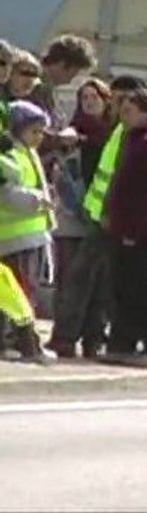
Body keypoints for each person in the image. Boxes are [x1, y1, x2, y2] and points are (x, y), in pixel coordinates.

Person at [48, 76, 147, 359]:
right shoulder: (95, 133)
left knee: (100, 285)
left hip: (108, 218)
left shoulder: (121, 132)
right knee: (77, 280)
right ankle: (66, 337)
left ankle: (92, 338)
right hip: (90, 215)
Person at [102, 89, 147, 368]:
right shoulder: (133, 141)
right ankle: (122, 342)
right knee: (123, 288)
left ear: (145, 113)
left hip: (141, 232)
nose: (124, 116)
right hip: (123, 228)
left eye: (129, 111)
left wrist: (132, 231)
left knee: (143, 289)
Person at [51, 79, 112, 316]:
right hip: (71, 215)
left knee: (96, 279)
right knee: (67, 275)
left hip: (100, 215)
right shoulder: (75, 130)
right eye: (84, 98)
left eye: (94, 97)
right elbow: (66, 136)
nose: (88, 103)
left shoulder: (111, 135)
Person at [0, 102, 57, 354]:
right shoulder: (10, 156)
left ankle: (18, 341)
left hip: (30, 236)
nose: (39, 137)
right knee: (17, 294)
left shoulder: (27, 154)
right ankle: (16, 341)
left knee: (25, 291)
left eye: (41, 132)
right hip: (14, 237)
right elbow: (6, 193)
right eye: (34, 131)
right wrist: (36, 199)